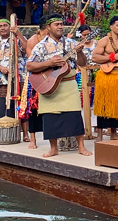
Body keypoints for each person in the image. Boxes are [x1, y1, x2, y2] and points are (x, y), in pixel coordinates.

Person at [26, 14, 91, 158]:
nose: (60, 26)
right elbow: (29, 65)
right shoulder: (41, 46)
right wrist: (48, 64)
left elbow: (82, 63)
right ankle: (53, 148)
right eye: (56, 24)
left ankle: (81, 147)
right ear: (48, 27)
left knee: (74, 115)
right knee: (50, 118)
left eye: (61, 24)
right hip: (48, 85)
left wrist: (80, 53)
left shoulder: (70, 43)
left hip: (68, 84)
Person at [0, 19, 28, 127]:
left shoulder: (17, 40)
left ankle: (25, 133)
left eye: (5, 25)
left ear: (10, 26)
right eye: (0, 26)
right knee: (1, 109)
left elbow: (28, 49)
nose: (2, 28)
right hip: (3, 81)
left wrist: (18, 33)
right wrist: (0, 68)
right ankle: (4, 132)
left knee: (22, 107)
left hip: (20, 79)